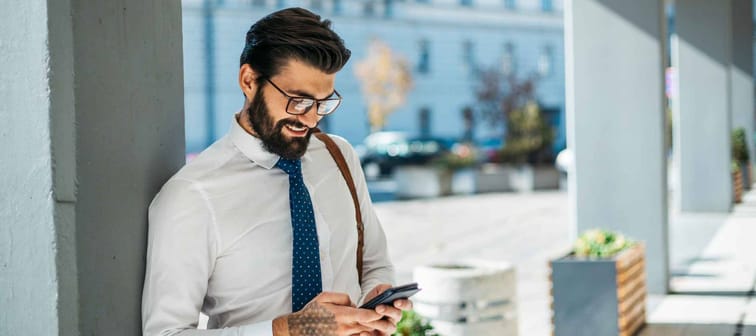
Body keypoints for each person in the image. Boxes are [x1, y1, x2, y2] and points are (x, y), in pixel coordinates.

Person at [142, 7, 411, 336]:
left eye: (322, 103)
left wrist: (377, 299)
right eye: (298, 100)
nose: (311, 119)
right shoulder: (191, 196)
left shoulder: (338, 156)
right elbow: (164, 333)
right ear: (249, 81)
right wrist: (288, 330)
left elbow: (374, 260)